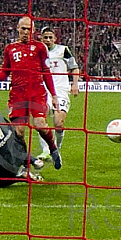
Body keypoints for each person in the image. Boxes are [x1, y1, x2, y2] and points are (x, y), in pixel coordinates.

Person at [0, 16, 62, 169]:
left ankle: (53, 149)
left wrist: (54, 95)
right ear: (18, 29)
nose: (26, 32)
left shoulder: (40, 48)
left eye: (29, 29)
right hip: (17, 94)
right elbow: (5, 71)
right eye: (23, 29)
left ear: (34, 31)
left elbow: (46, 72)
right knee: (19, 133)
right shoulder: (10, 48)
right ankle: (26, 161)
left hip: (37, 93)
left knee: (40, 125)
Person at [36, 26, 80, 162]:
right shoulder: (38, 51)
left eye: (50, 37)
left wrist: (75, 84)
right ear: (41, 38)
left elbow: (75, 67)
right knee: (40, 120)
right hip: (43, 90)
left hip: (60, 90)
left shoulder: (63, 50)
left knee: (58, 122)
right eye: (45, 37)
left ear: (55, 38)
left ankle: (57, 149)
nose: (48, 40)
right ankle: (45, 150)